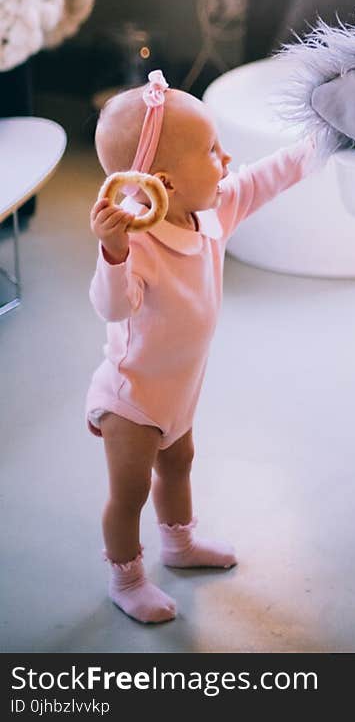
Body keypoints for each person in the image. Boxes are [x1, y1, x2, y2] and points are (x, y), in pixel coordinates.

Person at [86, 70, 313, 624]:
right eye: (212, 151)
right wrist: (112, 252)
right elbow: (113, 308)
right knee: (131, 489)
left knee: (181, 463)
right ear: (164, 181)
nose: (227, 158)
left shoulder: (209, 212)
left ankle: (179, 545)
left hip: (179, 388)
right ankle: (127, 577)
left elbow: (266, 177)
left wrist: (323, 141)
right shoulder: (137, 240)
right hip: (133, 396)